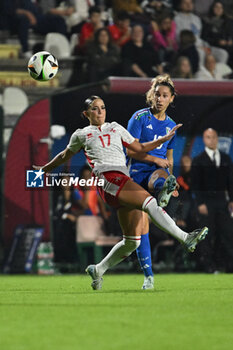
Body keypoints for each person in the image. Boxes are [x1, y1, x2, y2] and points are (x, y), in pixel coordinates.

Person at [33, 95, 208, 290]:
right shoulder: (81, 134)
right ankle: (185, 238)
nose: (100, 111)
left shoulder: (116, 127)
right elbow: (65, 154)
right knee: (149, 202)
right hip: (107, 178)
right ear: (86, 114)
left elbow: (139, 147)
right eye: (95, 108)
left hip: (122, 179)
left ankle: (98, 269)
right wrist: (44, 170)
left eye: (102, 107)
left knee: (132, 241)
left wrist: (164, 139)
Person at [126, 74, 182, 289]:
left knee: (160, 175)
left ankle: (164, 189)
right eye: (157, 94)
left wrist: (172, 179)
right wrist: (156, 160)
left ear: (171, 99)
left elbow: (169, 159)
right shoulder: (140, 118)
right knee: (140, 230)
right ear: (151, 95)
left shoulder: (172, 126)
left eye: (164, 95)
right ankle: (148, 276)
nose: (160, 98)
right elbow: (133, 150)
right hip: (135, 174)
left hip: (155, 173)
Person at [191, 128, 233, 272]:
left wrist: (232, 200)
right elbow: (195, 185)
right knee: (208, 235)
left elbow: (230, 182)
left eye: (214, 137)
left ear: (217, 138)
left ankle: (229, 265)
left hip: (223, 202)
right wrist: (200, 203)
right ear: (204, 139)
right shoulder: (198, 160)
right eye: (208, 137)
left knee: (227, 233)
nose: (212, 140)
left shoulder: (226, 158)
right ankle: (208, 266)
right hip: (206, 203)